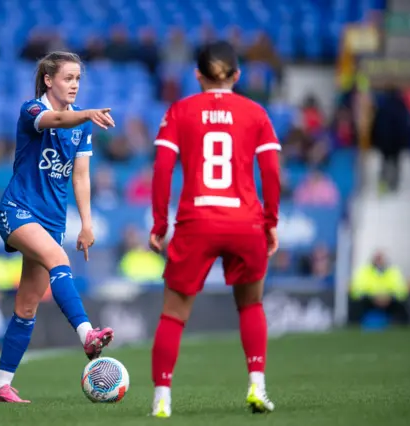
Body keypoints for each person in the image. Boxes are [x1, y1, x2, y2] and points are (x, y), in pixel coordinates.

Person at [148, 40, 281, 417]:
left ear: (197, 75)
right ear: (237, 75)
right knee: (251, 304)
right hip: (245, 221)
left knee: (173, 314)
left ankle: (162, 399)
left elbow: (161, 169)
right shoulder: (255, 112)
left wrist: (159, 223)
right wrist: (270, 222)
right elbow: (271, 172)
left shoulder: (180, 111)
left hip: (197, 221)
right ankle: (257, 385)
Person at [0, 51, 116, 403]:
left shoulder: (83, 125)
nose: (74, 85)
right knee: (59, 261)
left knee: (27, 307)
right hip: (17, 210)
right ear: (49, 80)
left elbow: (80, 176)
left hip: (52, 221)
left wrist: (87, 223)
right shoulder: (31, 110)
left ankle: (1, 385)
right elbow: (57, 120)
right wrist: (85, 114)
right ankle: (87, 335)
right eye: (67, 78)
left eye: (78, 79)